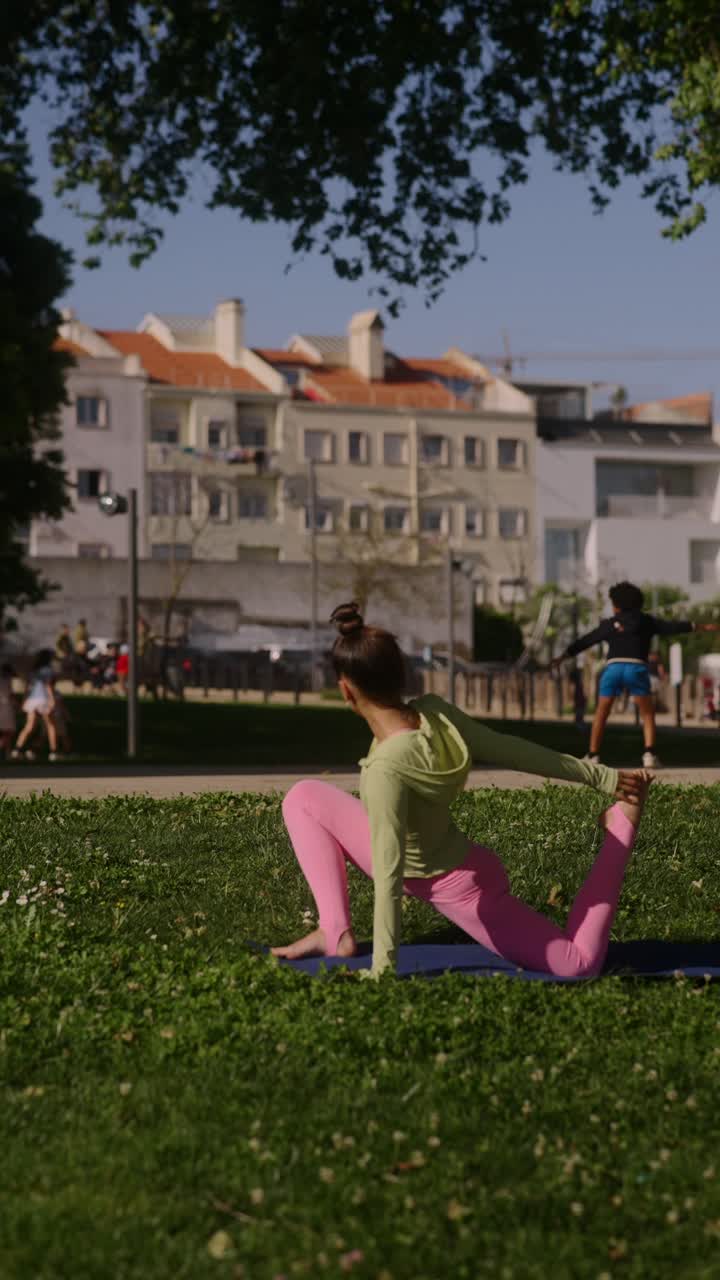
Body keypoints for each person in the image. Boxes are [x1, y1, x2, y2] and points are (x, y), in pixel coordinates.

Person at [271, 601, 652, 981]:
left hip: (459, 890)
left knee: (579, 964)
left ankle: (621, 828)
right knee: (303, 798)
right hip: (449, 858)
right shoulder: (435, 714)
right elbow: (512, 749)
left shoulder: (385, 769)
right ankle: (335, 932)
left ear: (346, 691)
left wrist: (383, 968)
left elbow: (389, 872)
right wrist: (599, 776)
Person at [549, 582, 719, 768]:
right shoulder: (645, 621)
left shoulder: (609, 624)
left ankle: (593, 755)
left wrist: (562, 657)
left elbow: (586, 641)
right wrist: (701, 626)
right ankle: (649, 754)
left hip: (613, 669)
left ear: (617, 605)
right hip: (636, 669)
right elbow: (672, 627)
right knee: (647, 714)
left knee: (601, 713)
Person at [11, 651, 59, 761]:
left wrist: (24, 701)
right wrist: (52, 700)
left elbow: (28, 688)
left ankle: (17, 749)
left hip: (32, 699)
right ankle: (53, 752)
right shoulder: (48, 671)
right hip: (43, 699)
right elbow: (48, 686)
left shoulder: (33, 671)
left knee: (29, 726)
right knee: (50, 726)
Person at [0, 663, 18, 756]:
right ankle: (6, 750)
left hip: (4, 706)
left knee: (6, 731)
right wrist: (17, 705)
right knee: (9, 731)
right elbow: (10, 694)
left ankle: (7, 752)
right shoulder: (7, 680)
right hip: (6, 707)